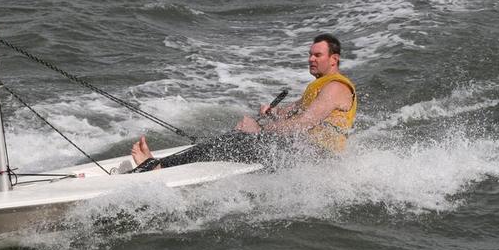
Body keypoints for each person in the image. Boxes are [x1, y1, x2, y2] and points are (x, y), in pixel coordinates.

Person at [129, 33, 357, 171]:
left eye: (317, 55)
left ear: (334, 59)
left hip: (317, 157)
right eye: (310, 54)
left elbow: (302, 124)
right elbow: (290, 113)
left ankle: (159, 167)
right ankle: (168, 164)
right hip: (302, 151)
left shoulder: (336, 87)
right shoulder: (317, 88)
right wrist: (272, 112)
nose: (310, 59)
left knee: (239, 140)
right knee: (233, 137)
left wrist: (259, 130)